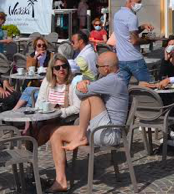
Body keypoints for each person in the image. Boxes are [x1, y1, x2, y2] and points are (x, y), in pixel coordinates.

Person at [48, 52, 128, 192]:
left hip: (109, 134)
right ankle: (61, 181)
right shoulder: (112, 79)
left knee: (90, 98)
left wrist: (81, 83)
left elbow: (81, 93)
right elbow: (87, 88)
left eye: (97, 66)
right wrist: (85, 83)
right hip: (99, 129)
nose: (96, 69)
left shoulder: (112, 80)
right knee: (56, 133)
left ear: (106, 68)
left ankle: (81, 136)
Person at [31, 54, 81, 146]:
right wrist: (49, 111)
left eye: (64, 66)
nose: (61, 69)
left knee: (44, 131)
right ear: (53, 70)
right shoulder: (47, 81)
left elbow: (77, 107)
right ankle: (31, 153)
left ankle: (32, 155)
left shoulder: (73, 83)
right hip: (47, 118)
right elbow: (39, 102)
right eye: (57, 67)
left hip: (66, 120)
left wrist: (59, 112)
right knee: (31, 130)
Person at [113, 0, 153, 84]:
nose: (140, 4)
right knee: (149, 85)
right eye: (138, 2)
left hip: (121, 59)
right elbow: (134, 40)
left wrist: (142, 26)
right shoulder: (132, 17)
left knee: (121, 89)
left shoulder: (117, 15)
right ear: (130, 1)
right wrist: (148, 40)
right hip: (134, 59)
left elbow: (128, 33)